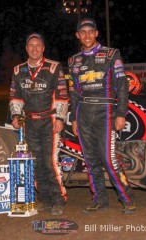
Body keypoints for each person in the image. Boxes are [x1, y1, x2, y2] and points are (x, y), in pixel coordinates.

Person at [68, 18, 136, 214]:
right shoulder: (73, 61)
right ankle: (99, 199)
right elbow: (73, 93)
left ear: (96, 33)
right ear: (78, 35)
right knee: (90, 160)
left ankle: (127, 197)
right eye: (83, 32)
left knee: (108, 158)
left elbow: (122, 85)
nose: (87, 35)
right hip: (82, 113)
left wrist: (121, 113)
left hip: (106, 111)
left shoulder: (111, 54)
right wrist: (73, 118)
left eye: (91, 31)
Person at [9, 33, 69, 216]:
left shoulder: (53, 67)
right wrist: (15, 115)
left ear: (43, 48)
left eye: (38, 45)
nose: (34, 48)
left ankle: (58, 198)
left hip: (49, 121)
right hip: (29, 122)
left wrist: (59, 118)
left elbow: (62, 95)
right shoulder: (18, 70)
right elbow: (15, 96)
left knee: (50, 161)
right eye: (31, 45)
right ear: (26, 49)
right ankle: (44, 198)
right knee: (36, 163)